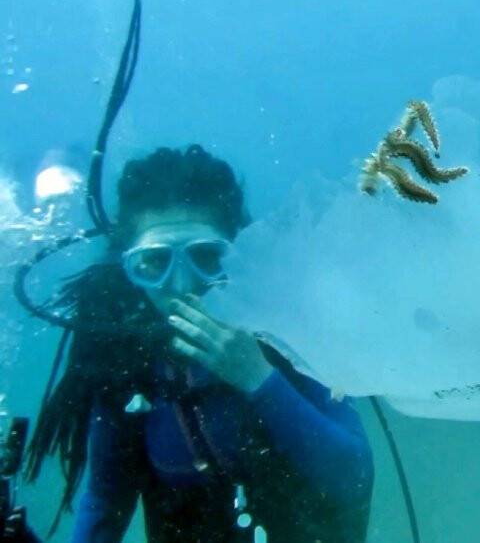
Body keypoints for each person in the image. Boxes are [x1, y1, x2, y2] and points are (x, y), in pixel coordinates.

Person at [23, 145, 374, 543]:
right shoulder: (123, 365)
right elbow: (105, 502)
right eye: (154, 263)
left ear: (237, 255)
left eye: (206, 257)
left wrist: (260, 378)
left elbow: (354, 478)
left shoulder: (285, 334)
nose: (182, 286)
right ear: (128, 271)